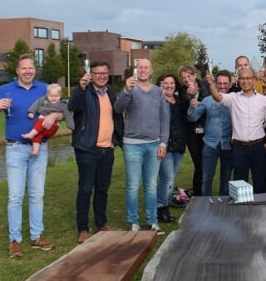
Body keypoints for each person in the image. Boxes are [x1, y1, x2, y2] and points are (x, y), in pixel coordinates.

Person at [0, 54, 57, 257]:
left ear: (35, 69)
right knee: (15, 196)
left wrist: (53, 115)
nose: (28, 71)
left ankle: (37, 236)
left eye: (31, 68)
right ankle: (14, 240)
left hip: (39, 148)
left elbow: (61, 109)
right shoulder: (5, 90)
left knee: (37, 194)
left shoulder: (44, 89)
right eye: (24, 68)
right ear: (17, 70)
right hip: (15, 149)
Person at [68, 59, 125, 244]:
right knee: (85, 189)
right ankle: (82, 228)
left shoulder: (111, 93)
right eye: (97, 73)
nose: (101, 76)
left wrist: (116, 140)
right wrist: (80, 88)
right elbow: (72, 107)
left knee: (102, 189)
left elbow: (117, 119)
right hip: (87, 149)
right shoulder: (85, 92)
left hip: (106, 150)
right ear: (91, 75)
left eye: (104, 73)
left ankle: (101, 223)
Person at [114, 59, 169, 234]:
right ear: (136, 70)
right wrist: (126, 90)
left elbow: (164, 119)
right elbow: (118, 108)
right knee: (132, 185)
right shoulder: (130, 89)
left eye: (146, 67)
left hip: (154, 145)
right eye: (140, 67)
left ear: (151, 71)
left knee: (151, 185)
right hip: (132, 145)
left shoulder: (158, 92)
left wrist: (163, 142)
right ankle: (133, 222)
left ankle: (152, 221)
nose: (143, 70)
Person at [206, 67, 266, 193]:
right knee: (240, 183)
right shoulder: (232, 98)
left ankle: (259, 210)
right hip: (239, 148)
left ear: (254, 80)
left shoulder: (264, 101)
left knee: (260, 181)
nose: (245, 81)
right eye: (242, 78)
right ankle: (242, 210)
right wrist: (210, 83)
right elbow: (217, 97)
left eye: (248, 78)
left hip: (258, 146)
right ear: (238, 81)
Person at [188, 70, 234, 196]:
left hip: (228, 145)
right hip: (210, 144)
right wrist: (192, 105)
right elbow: (193, 118)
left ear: (230, 84)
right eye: (219, 83)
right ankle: (205, 206)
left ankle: (223, 206)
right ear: (215, 84)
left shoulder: (235, 100)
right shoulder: (207, 100)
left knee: (226, 179)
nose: (222, 86)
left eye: (225, 83)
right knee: (206, 179)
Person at [156, 73, 188, 223]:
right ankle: (161, 208)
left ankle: (165, 205)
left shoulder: (179, 101)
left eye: (171, 83)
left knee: (170, 179)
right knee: (167, 179)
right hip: (165, 146)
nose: (169, 86)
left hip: (179, 145)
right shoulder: (157, 101)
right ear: (161, 85)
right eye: (165, 83)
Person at [21, 83, 75, 156]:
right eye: (51, 96)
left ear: (60, 96)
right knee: (38, 136)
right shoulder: (44, 100)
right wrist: (32, 111)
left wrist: (71, 127)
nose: (53, 98)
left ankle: (31, 134)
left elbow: (68, 115)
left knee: (40, 122)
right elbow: (36, 104)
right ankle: (35, 151)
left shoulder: (62, 104)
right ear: (47, 95)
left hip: (53, 126)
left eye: (56, 96)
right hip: (42, 129)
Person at [179, 65, 209, 197]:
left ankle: (204, 192)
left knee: (206, 163)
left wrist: (199, 99)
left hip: (207, 129)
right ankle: (198, 194)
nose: (186, 79)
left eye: (188, 76)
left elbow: (210, 100)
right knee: (199, 163)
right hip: (191, 132)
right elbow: (181, 108)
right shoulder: (182, 91)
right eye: (184, 77)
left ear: (195, 75)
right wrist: (188, 97)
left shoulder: (205, 85)